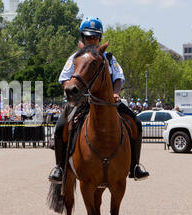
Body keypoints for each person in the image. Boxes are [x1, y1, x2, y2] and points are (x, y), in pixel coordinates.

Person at [48, 16, 149, 184]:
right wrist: (73, 90)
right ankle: (59, 167)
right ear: (83, 38)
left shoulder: (108, 57)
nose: (92, 40)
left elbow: (118, 78)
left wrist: (116, 93)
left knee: (136, 123)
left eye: (95, 37)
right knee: (60, 127)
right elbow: (64, 78)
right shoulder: (75, 57)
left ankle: (134, 166)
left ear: (99, 38)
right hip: (80, 102)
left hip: (107, 102)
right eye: (88, 37)